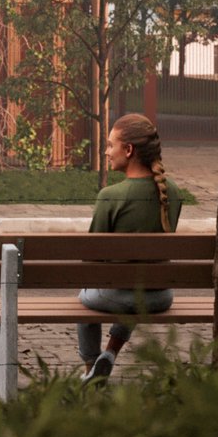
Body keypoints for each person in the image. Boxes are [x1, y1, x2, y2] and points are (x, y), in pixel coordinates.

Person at [77, 112, 181, 380]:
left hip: (119, 297)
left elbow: (90, 262)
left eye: (110, 145)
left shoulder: (110, 196)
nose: (106, 152)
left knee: (86, 294)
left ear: (129, 150)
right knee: (137, 283)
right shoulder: (172, 193)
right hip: (161, 296)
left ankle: (90, 366)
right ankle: (110, 354)